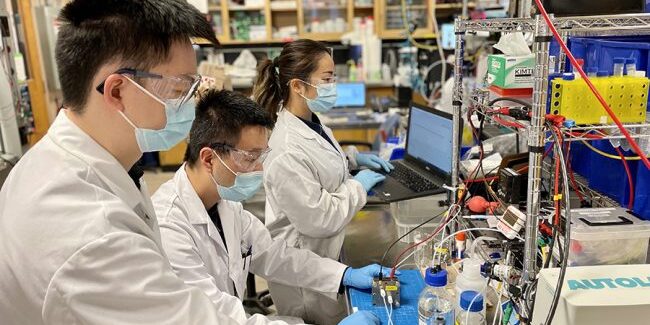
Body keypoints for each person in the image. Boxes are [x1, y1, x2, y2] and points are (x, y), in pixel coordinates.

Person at [0, 1, 244, 324]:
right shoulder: (90, 234)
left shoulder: (97, 159)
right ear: (117, 91)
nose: (191, 102)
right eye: (180, 88)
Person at [152, 89, 386, 325]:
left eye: (261, 157)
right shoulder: (170, 227)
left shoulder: (226, 205)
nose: (259, 169)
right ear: (209, 159)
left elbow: (275, 255)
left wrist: (344, 275)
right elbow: (218, 318)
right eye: (250, 158)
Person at [252, 39, 395, 325]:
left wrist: (353, 159)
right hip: (305, 272)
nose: (334, 86)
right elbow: (319, 218)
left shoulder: (309, 120)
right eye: (327, 79)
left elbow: (319, 163)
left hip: (327, 252)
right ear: (298, 86)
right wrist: (359, 185)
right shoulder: (284, 148)